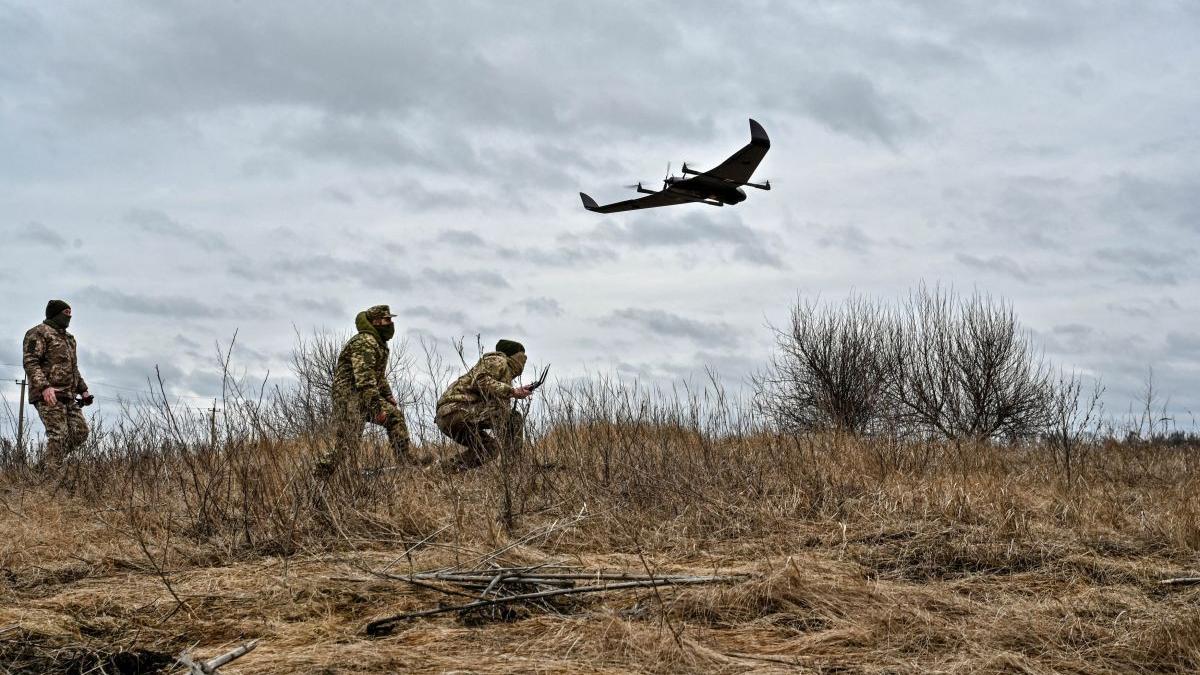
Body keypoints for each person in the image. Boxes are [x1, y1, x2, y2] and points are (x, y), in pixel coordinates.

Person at [314, 305, 411, 478]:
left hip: (361, 396)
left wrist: (388, 396)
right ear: (376, 322)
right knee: (346, 445)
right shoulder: (365, 342)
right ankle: (319, 475)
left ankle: (406, 465)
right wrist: (376, 407)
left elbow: (378, 376)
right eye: (387, 319)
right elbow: (365, 379)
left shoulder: (377, 343)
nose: (391, 323)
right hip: (350, 398)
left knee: (395, 418)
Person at [435, 339, 532, 471]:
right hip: (458, 410)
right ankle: (513, 468)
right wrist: (512, 391)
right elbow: (480, 381)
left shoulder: (500, 370)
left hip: (449, 417)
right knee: (513, 417)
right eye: (522, 357)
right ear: (515, 356)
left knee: (489, 449)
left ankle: (440, 470)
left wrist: (513, 391)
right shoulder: (498, 360)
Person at [23, 300, 92, 470]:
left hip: (68, 395)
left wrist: (83, 390)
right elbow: (30, 362)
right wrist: (44, 387)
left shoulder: (69, 339)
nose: (69, 316)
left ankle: (42, 468)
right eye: (66, 312)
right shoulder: (38, 333)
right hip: (48, 394)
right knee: (59, 436)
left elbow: (72, 368)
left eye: (70, 313)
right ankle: (49, 479)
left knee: (81, 433)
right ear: (55, 313)